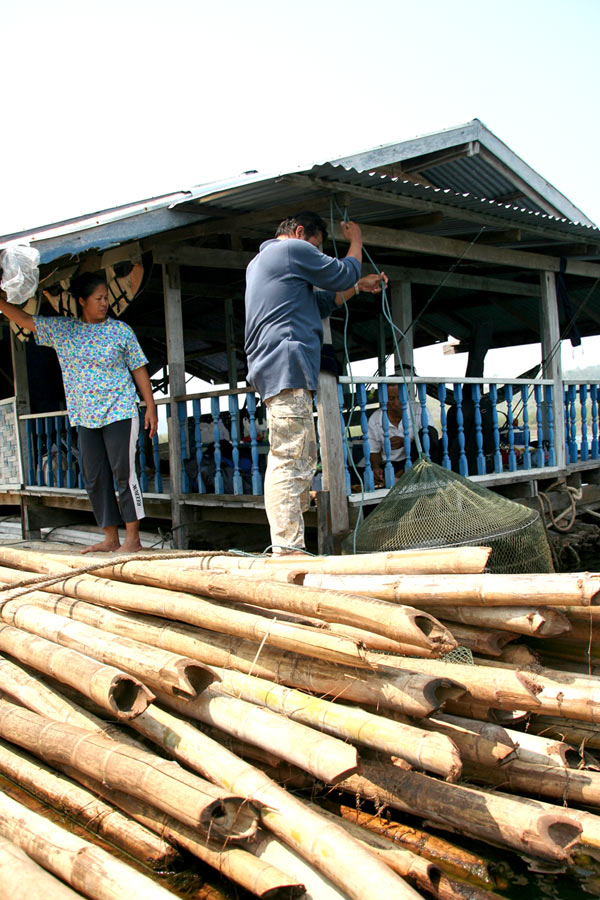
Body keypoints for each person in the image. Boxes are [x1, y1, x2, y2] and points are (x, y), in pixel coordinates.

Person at [245, 210, 387, 555]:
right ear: (298, 232)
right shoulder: (290, 250)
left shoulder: (264, 262)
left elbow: (324, 299)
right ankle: (286, 548)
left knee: (300, 455)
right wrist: (356, 239)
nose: (317, 254)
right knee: (290, 457)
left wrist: (357, 287)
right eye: (317, 247)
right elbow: (340, 273)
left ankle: (287, 543)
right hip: (287, 363)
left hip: (278, 365)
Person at [0, 272, 158, 554]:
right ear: (83, 301)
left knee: (123, 473)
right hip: (85, 417)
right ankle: (110, 537)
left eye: (107, 298)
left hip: (120, 411)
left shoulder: (121, 331)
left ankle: (133, 538)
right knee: (94, 476)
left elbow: (138, 368)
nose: (104, 303)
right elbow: (25, 321)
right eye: (99, 298)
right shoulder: (64, 330)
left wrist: (151, 407)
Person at [369, 381, 439, 483]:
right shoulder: (375, 419)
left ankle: (403, 475)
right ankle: (400, 476)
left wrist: (407, 442)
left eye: (400, 397)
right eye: (391, 398)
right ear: (383, 399)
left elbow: (430, 439)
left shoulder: (419, 410)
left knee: (428, 433)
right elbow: (373, 451)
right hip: (391, 465)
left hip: (418, 461)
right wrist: (376, 467)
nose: (396, 403)